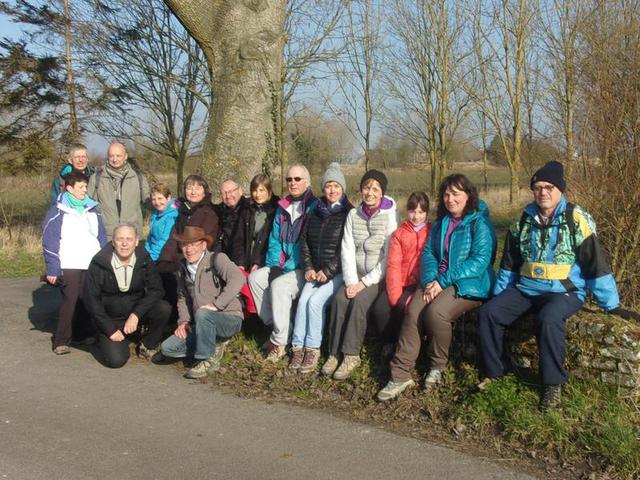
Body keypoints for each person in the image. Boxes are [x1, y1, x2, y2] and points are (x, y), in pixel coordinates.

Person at [477, 161, 624, 409]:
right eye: (538, 187)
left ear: (560, 189)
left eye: (549, 187)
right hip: (527, 288)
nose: (543, 192)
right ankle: (496, 373)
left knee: (548, 319)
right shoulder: (523, 220)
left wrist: (611, 305)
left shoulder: (576, 219)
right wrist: (498, 295)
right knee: (489, 313)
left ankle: (552, 384)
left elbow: (595, 264)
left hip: (564, 291)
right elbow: (509, 263)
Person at [377, 174, 496, 401]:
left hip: (469, 283)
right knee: (413, 311)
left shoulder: (479, 222)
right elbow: (429, 253)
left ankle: (437, 365)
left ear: (468, 195)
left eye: (456, 194)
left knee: (436, 313)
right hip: (437, 281)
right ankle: (400, 375)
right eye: (447, 194)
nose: (450, 199)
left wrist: (443, 281)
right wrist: (431, 279)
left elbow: (480, 261)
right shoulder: (442, 222)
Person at [322, 169, 397, 380]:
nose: (370, 193)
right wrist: (351, 281)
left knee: (359, 303)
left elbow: (388, 257)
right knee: (339, 299)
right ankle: (333, 353)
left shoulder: (390, 216)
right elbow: (346, 249)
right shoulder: (353, 214)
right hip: (354, 275)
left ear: (382, 193)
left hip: (377, 277)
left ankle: (351, 354)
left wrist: (363, 284)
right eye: (366, 188)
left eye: (375, 189)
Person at [248, 164, 317, 362]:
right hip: (283, 264)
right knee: (255, 279)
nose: (292, 183)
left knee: (278, 286)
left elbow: (305, 244)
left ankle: (278, 343)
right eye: (289, 179)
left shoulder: (313, 207)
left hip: (303, 267)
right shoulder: (283, 207)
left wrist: (284, 269)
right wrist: (274, 266)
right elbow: (275, 240)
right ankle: (281, 328)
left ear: (307, 182)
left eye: (297, 179)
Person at [289, 162, 353, 374]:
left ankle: (313, 348)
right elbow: (305, 241)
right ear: (323, 188)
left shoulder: (348, 213)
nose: (332, 190)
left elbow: (345, 248)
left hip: (336, 273)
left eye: (336, 185)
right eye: (328, 186)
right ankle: (298, 346)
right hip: (314, 271)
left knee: (315, 303)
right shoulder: (315, 211)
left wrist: (327, 271)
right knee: (303, 301)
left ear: (342, 188)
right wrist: (308, 267)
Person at [160, 226, 246, 379]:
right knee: (168, 348)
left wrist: (216, 305)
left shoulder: (216, 259)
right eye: (185, 245)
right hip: (201, 323)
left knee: (203, 314)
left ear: (203, 245)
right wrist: (184, 321)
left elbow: (238, 278)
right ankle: (212, 344)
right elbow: (182, 298)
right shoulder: (181, 268)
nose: (189, 249)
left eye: (193, 244)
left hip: (229, 318)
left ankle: (207, 359)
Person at [84, 223, 171, 368]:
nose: (124, 244)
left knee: (163, 308)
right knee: (116, 361)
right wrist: (109, 330)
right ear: (113, 242)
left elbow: (156, 290)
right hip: (110, 318)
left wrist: (136, 314)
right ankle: (104, 337)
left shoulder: (144, 258)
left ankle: (147, 344)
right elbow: (91, 300)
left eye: (129, 239)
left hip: (135, 312)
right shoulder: (99, 263)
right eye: (120, 239)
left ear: (136, 241)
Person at [42, 171, 107, 354]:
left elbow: (101, 237)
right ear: (69, 188)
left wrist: (104, 262)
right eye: (81, 187)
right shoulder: (57, 211)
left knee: (87, 299)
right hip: (69, 263)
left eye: (86, 187)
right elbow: (50, 241)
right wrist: (52, 269)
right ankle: (61, 340)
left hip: (91, 263)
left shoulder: (93, 209)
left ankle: (82, 334)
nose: (85, 190)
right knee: (70, 300)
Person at [371, 192, 431, 357]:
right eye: (413, 211)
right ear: (407, 211)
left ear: (427, 213)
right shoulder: (399, 233)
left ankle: (412, 345)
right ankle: (388, 342)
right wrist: (395, 296)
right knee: (381, 308)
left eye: (421, 212)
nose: (416, 216)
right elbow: (394, 265)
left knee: (409, 308)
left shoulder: (432, 231)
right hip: (400, 281)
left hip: (420, 282)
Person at [157, 174, 220, 273]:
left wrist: (178, 260)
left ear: (204, 192)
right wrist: (164, 260)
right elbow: (173, 238)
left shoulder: (210, 213)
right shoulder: (182, 211)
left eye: (198, 188)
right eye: (189, 188)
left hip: (197, 259)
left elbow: (201, 242)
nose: (193, 192)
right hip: (179, 256)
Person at [87, 142, 150, 239]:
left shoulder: (138, 177)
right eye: (111, 156)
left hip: (131, 234)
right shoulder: (96, 178)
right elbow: (89, 205)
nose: (115, 159)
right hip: (106, 235)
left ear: (125, 156)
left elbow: (148, 201)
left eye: (118, 156)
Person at [242, 174, 280, 272]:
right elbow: (239, 238)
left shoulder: (276, 212)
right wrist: (240, 263)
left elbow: (272, 243)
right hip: (246, 260)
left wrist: (258, 262)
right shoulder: (247, 210)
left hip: (264, 261)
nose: (257, 194)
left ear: (269, 191)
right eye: (255, 190)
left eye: (261, 190)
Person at [214, 179, 249, 266]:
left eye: (230, 191)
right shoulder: (219, 212)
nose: (228, 196)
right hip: (224, 260)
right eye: (224, 193)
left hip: (244, 262)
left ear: (240, 191)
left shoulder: (249, 210)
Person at [145, 183, 179, 262]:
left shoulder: (173, 216)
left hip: (163, 256)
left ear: (168, 198)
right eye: (154, 199)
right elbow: (150, 237)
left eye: (160, 198)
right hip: (151, 253)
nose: (157, 202)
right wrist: (145, 252)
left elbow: (164, 240)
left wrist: (152, 258)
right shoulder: (156, 213)